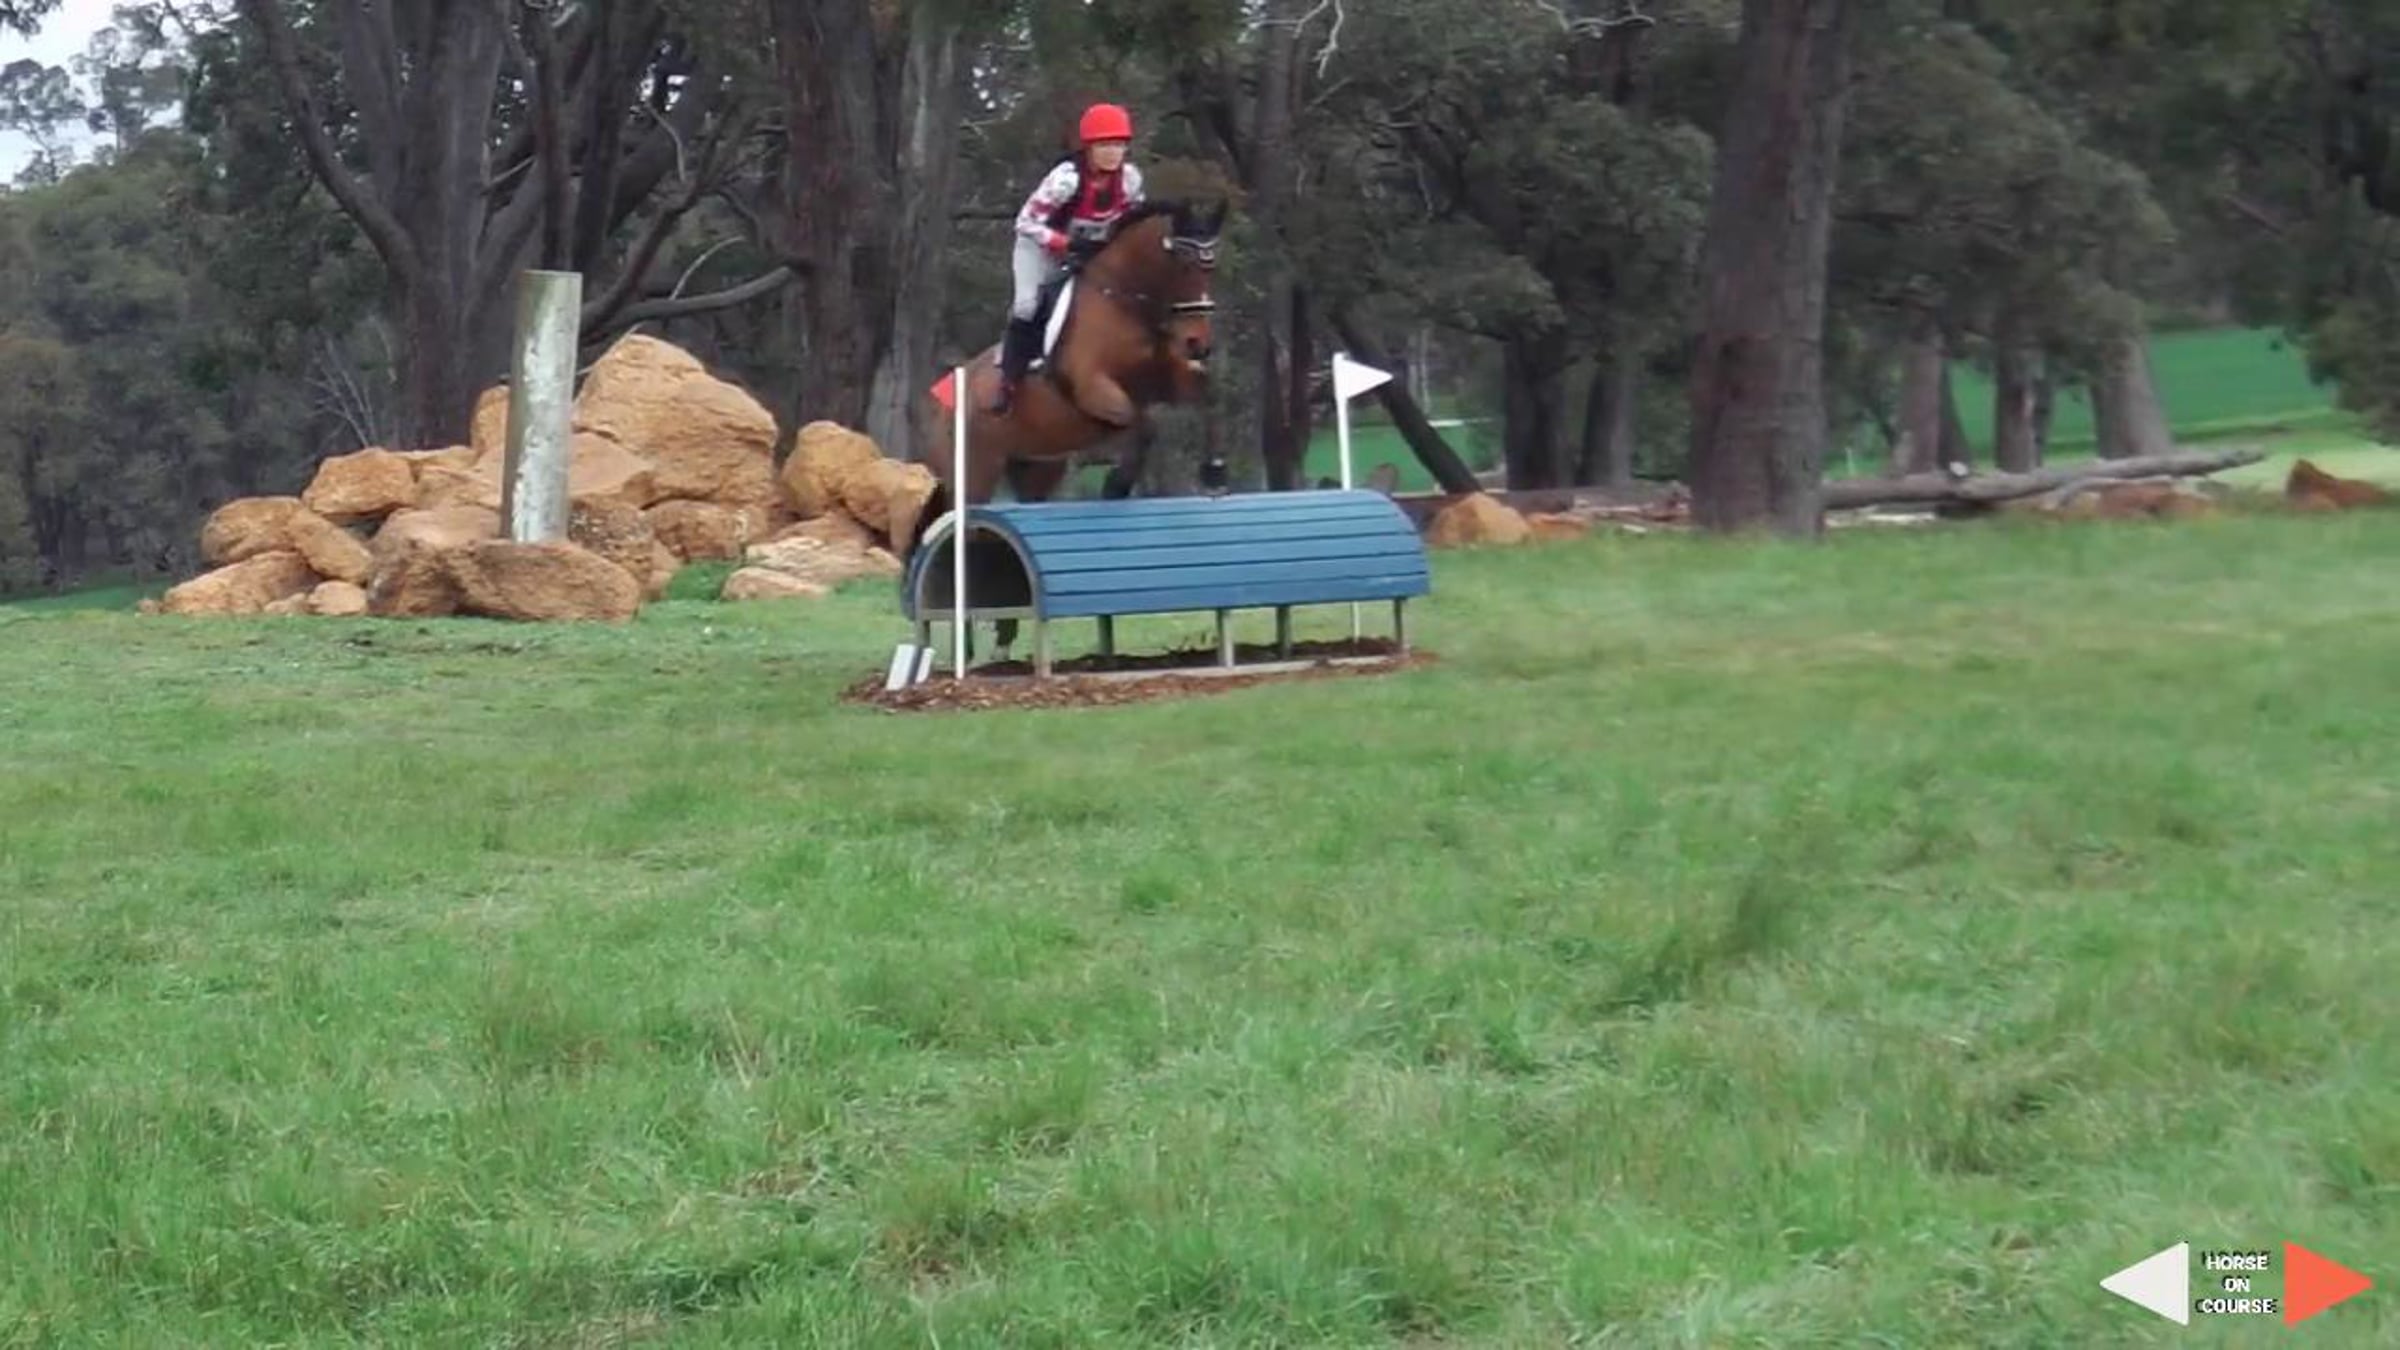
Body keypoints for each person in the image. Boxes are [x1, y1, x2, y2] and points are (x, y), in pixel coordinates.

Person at [989, 102, 1146, 414]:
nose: (1113, 153)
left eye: (1119, 145)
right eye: (1105, 145)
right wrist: (1064, 242)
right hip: (1039, 248)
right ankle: (1008, 380)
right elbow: (1025, 222)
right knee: (1027, 306)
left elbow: (1133, 225)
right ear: (1089, 148)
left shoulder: (1130, 181)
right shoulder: (1065, 181)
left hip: (1088, 251)